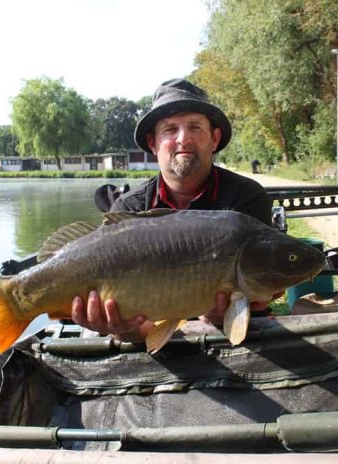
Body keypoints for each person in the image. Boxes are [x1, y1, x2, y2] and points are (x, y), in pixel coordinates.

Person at [71, 78, 276, 342]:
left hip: (233, 342)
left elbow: (248, 302)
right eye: (170, 129)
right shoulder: (129, 209)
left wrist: (216, 315)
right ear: (153, 143)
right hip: (155, 346)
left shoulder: (246, 199)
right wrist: (122, 328)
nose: (183, 139)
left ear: (214, 138)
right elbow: (140, 334)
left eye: (194, 127)